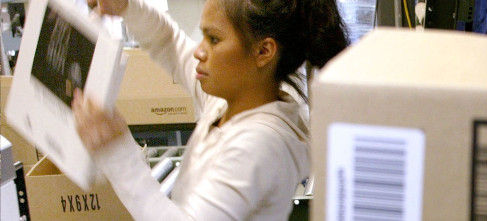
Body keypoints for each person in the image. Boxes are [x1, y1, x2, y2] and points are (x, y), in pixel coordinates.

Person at [72, 0, 348, 219]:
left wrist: (117, 153)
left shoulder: (260, 145)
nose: (198, 52)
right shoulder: (237, 99)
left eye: (213, 40)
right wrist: (127, 7)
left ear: (263, 52)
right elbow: (168, 41)